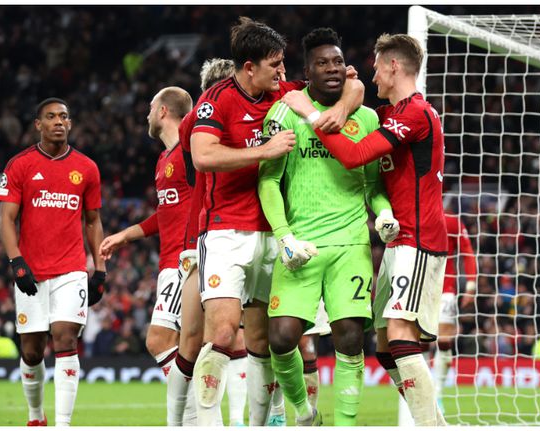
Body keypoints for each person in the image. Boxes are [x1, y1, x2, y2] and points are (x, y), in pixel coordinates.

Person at [189, 17, 362, 426]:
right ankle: (209, 424)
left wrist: (339, 110)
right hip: (225, 229)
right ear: (249, 68)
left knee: (264, 340)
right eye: (275, 65)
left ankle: (258, 424)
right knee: (223, 332)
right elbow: (203, 156)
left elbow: (354, 84)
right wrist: (263, 152)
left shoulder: (283, 93)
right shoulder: (216, 100)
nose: (283, 72)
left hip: (274, 232)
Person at [282, 33, 448, 425]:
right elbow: (354, 93)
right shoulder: (390, 114)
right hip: (398, 239)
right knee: (386, 347)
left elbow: (355, 156)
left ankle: (432, 426)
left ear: (393, 66)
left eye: (376, 67)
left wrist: (309, 113)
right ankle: (434, 419)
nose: (372, 75)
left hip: (419, 237)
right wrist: (349, 89)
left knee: (400, 332)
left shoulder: (416, 114)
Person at [258, 27, 395, 426]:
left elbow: (374, 187)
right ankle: (304, 414)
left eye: (337, 61)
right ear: (307, 71)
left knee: (350, 337)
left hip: (350, 243)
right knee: (281, 338)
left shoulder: (366, 117)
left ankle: (346, 425)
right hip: (300, 245)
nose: (332, 69)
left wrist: (383, 214)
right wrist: (284, 237)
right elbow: (268, 181)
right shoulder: (284, 115)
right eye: (322, 63)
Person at [0, 97, 106, 426]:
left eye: (64, 117)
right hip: (31, 270)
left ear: (70, 124)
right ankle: (35, 416)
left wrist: (99, 268)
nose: (59, 121)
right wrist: (16, 262)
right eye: (51, 117)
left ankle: (62, 425)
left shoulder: (87, 168)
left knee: (65, 337)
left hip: (71, 270)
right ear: (38, 125)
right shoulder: (20, 165)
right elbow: (6, 219)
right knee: (31, 351)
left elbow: (93, 221)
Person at [97, 86, 193, 422]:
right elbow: (165, 215)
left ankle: (193, 419)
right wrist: (124, 236)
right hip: (170, 260)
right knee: (187, 348)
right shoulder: (164, 159)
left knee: (158, 340)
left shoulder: (192, 152)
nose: (146, 114)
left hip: (188, 260)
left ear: (164, 111)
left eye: (151, 107)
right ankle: (191, 420)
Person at [433, 211, 477, 409]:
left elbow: (467, 251)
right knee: (419, 343)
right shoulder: (413, 215)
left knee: (443, 341)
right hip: (418, 288)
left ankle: (437, 394)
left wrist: (471, 286)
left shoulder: (450, 220)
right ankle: (422, 394)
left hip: (445, 290)